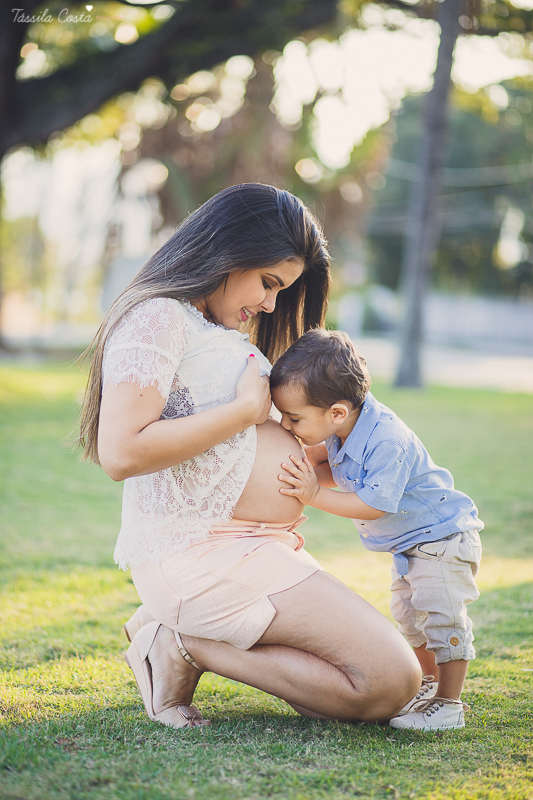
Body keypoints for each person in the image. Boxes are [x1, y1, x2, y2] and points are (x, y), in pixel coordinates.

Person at [75, 184, 421, 731]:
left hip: (255, 548)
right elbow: (120, 451)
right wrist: (243, 412)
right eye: (268, 282)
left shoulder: (208, 327)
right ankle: (181, 642)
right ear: (228, 250)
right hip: (202, 554)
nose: (270, 304)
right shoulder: (158, 318)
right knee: (389, 682)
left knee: (362, 689)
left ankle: (176, 632)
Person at [270, 328, 483, 732]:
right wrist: (306, 472)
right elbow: (338, 469)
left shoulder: (386, 440)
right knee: (410, 618)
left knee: (443, 620)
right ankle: (428, 684)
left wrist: (313, 494)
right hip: (411, 545)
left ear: (336, 412)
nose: (286, 424)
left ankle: (449, 704)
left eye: (294, 418)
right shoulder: (345, 427)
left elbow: (373, 502)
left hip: (442, 540)